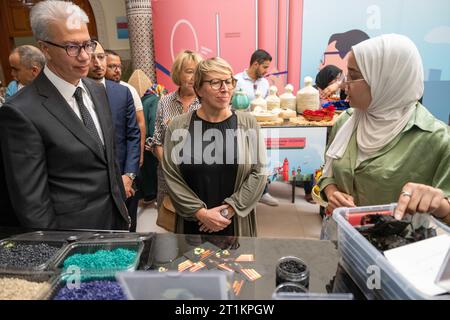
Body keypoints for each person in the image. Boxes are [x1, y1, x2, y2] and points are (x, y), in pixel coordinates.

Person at [0, 0, 129, 229]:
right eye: (71, 47)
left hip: (115, 227)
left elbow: (108, 161)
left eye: (87, 44)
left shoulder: (97, 90)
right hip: (71, 240)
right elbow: (32, 204)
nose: (84, 56)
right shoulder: (20, 112)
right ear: (45, 48)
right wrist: (59, 254)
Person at [317, 34, 450, 227]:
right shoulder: (346, 122)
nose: (344, 85)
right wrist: (332, 192)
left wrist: (441, 206)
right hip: (341, 238)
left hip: (396, 251)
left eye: (353, 76)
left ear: (385, 79)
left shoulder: (436, 140)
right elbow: (328, 172)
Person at [162, 57, 267, 236]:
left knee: (237, 263)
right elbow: (172, 176)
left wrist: (229, 210)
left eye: (228, 81)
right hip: (192, 223)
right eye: (215, 83)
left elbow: (259, 172)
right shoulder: (178, 127)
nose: (225, 89)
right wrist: (201, 213)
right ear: (198, 90)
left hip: (234, 222)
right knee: (191, 263)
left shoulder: (248, 123)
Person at [88, 41, 141, 231]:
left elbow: (133, 135)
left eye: (101, 57)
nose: (97, 63)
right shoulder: (77, 95)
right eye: (92, 57)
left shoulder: (122, 92)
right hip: (94, 186)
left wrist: (129, 175)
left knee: (129, 229)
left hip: (126, 176)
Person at [150, 49, 202, 219]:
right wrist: (170, 168)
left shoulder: (206, 102)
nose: (193, 77)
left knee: (197, 221)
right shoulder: (165, 101)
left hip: (199, 173)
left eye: (197, 72)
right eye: (188, 71)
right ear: (178, 73)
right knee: (169, 218)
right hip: (168, 174)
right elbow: (157, 141)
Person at [235, 49, 278, 206]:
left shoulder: (265, 83)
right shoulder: (237, 80)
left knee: (262, 160)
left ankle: (263, 192)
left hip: (261, 128)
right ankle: (242, 195)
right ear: (255, 64)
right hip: (240, 128)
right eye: (265, 67)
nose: (267, 71)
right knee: (243, 161)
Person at [104, 49, 146, 168]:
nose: (117, 70)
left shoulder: (128, 90)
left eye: (119, 66)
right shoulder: (92, 89)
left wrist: (140, 153)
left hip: (126, 155)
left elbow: (140, 122)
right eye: (112, 66)